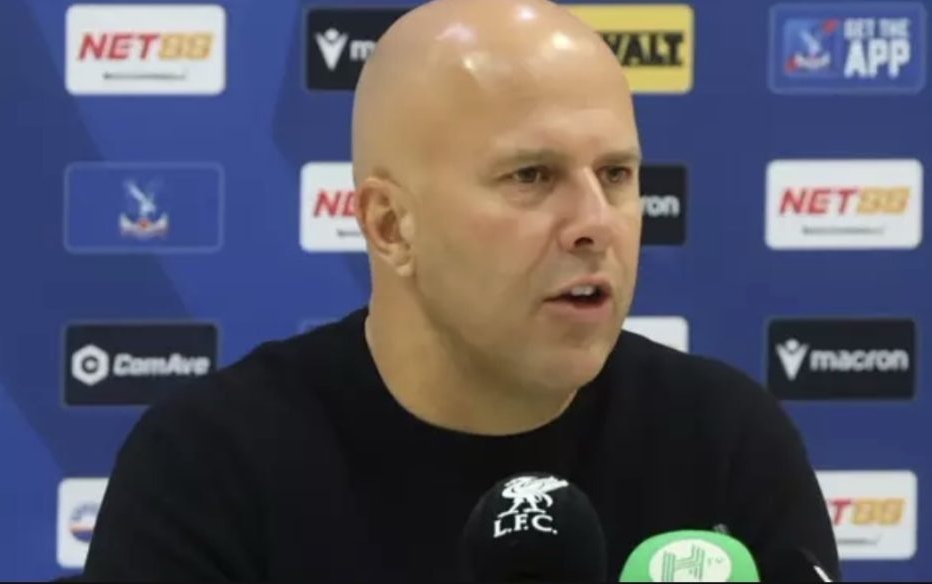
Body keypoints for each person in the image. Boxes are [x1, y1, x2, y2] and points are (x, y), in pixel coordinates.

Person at [81, 0, 840, 581]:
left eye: (615, 174)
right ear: (390, 226)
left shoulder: (726, 443)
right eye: (531, 176)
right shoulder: (209, 468)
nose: (594, 223)